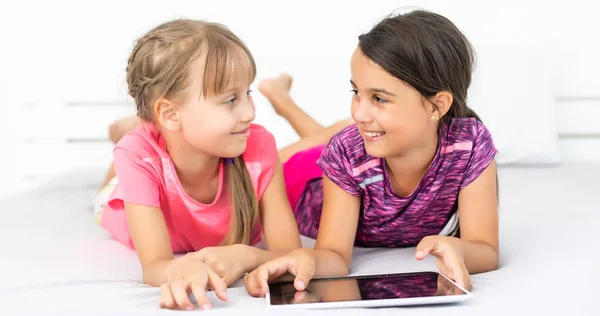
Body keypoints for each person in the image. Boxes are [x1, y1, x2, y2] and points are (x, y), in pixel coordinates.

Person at [244, 9, 500, 296]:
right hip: (300, 179)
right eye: (356, 92)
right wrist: (306, 258)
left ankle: (281, 99)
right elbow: (334, 256)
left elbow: (486, 250)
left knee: (349, 130)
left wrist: (459, 248)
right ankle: (281, 99)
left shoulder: (469, 144)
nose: (360, 112)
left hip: (353, 157)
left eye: (379, 98)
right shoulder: (346, 151)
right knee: (276, 157)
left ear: (436, 106)